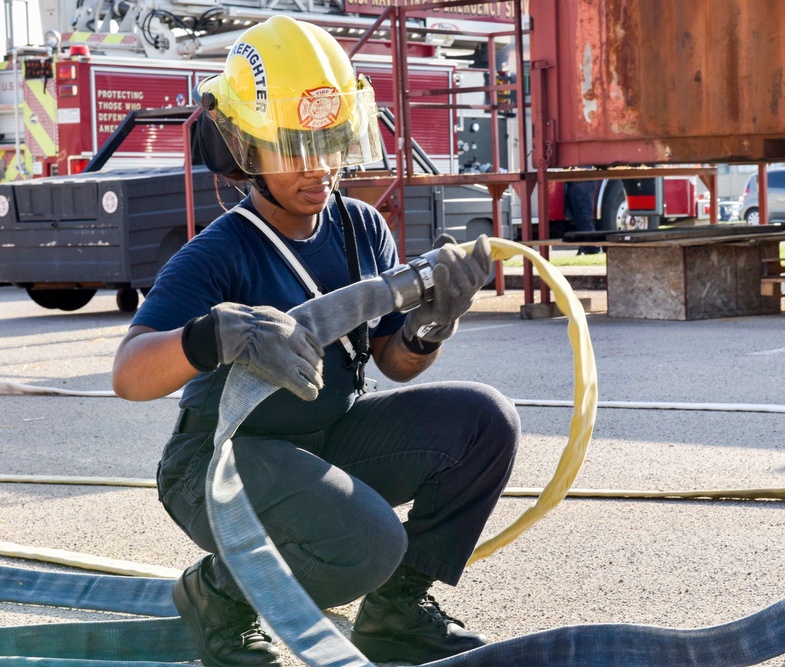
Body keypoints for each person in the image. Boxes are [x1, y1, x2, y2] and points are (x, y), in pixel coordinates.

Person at [111, 16, 520, 667]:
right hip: (217, 464)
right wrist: (219, 333)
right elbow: (129, 374)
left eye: (330, 141)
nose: (319, 165)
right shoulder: (221, 253)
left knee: (484, 421)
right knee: (369, 544)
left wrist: (429, 325)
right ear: (244, 146)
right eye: (295, 146)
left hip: (323, 443)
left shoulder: (359, 228)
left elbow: (395, 364)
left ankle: (397, 614)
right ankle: (219, 596)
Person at [565, 180, 603, 255]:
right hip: (580, 180)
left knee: (583, 216)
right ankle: (588, 247)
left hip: (581, 180)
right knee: (581, 216)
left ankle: (591, 248)